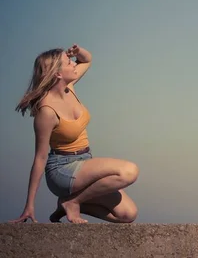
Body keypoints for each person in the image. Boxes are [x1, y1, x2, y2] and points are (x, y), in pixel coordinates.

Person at [10, 44, 139, 224]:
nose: (73, 63)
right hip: (62, 169)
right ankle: (73, 201)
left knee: (128, 214)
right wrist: (29, 205)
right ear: (57, 73)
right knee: (129, 171)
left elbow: (87, 59)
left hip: (85, 162)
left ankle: (67, 204)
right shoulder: (46, 111)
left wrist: (77, 52)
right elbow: (39, 158)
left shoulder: (69, 86)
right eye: (68, 62)